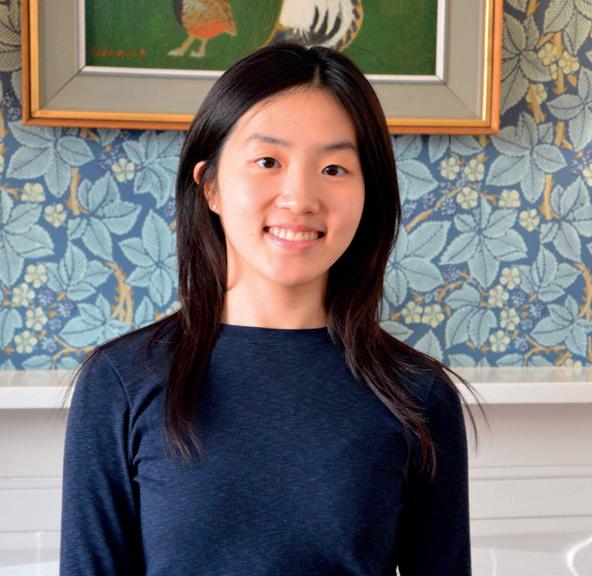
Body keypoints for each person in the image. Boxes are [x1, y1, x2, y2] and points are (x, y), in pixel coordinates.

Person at [59, 42, 485, 575]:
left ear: (368, 194)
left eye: (334, 168)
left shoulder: (419, 395)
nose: (300, 198)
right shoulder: (119, 382)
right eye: (268, 162)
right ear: (210, 186)